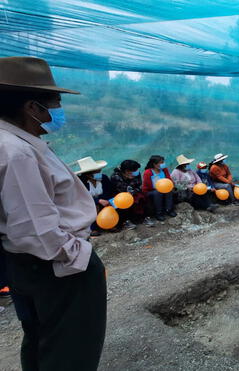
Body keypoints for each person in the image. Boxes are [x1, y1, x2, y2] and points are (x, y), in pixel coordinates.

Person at [0, 56, 106, 370]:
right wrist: (78, 256)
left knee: (42, 339)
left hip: (28, 263)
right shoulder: (16, 151)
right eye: (55, 103)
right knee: (71, 350)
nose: (58, 112)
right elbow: (36, 228)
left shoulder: (19, 142)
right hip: (54, 268)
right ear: (32, 107)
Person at [75, 157, 119, 235]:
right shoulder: (80, 182)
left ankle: (110, 224)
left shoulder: (104, 178)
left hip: (105, 200)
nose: (100, 173)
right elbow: (80, 197)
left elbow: (111, 191)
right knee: (95, 206)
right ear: (88, 174)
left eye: (99, 171)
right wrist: (97, 201)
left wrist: (107, 200)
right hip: (87, 203)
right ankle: (93, 228)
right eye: (97, 172)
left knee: (112, 204)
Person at [111, 159, 155, 227]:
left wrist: (134, 190)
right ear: (127, 171)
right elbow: (122, 190)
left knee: (143, 197)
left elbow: (139, 185)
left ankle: (144, 217)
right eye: (134, 171)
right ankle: (126, 221)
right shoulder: (115, 176)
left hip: (134, 192)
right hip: (120, 196)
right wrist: (130, 180)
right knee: (124, 202)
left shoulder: (136, 173)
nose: (136, 172)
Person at [142, 155, 176, 221]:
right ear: (155, 164)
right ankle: (158, 213)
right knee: (158, 193)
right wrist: (160, 188)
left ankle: (169, 210)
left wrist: (170, 185)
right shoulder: (148, 172)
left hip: (163, 188)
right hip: (150, 191)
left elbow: (169, 179)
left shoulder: (164, 169)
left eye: (163, 162)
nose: (163, 164)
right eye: (161, 162)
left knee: (169, 191)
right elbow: (147, 186)